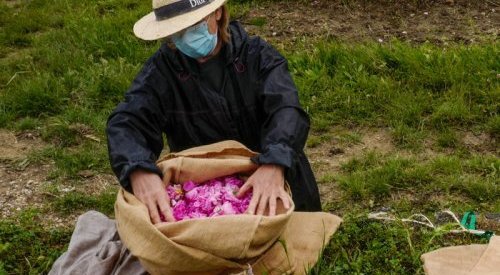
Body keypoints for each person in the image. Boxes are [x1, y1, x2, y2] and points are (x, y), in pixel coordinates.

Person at [106, 0, 321, 224]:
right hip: (204, 189)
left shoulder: (257, 56)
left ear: (217, 12)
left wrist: (275, 162)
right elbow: (127, 122)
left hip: (270, 172)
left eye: (193, 26)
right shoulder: (161, 72)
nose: (186, 37)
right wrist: (138, 170)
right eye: (177, 32)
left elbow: (286, 109)